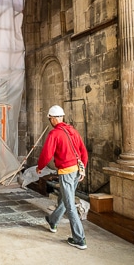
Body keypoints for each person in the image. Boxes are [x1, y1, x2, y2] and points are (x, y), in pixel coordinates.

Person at [36, 104, 88, 250]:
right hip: (77, 170)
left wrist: (40, 167)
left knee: (70, 205)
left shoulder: (54, 134)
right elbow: (83, 151)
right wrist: (83, 169)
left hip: (66, 172)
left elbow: (46, 154)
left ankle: (79, 239)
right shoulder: (73, 131)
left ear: (52, 119)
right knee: (67, 198)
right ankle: (53, 220)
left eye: (50, 118)